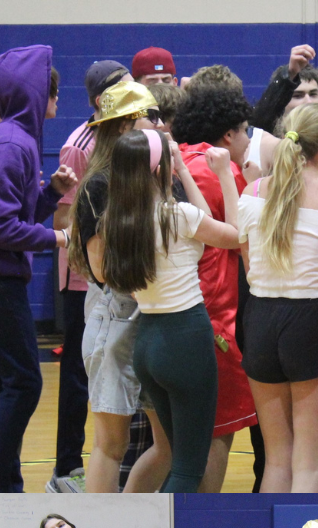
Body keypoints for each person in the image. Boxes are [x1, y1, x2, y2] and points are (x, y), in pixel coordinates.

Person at [100, 130, 241, 493]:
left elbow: (201, 219)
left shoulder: (117, 221)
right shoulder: (176, 216)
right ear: (161, 169)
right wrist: (225, 174)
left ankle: (159, 524)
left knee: (180, 459)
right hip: (185, 339)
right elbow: (236, 235)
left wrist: (182, 169)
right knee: (189, 470)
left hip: (147, 344)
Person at [69, 81, 171, 493]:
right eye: (152, 116)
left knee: (169, 446)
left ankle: (126, 516)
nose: (160, 124)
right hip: (116, 316)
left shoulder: (155, 177)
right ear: (127, 124)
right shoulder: (99, 185)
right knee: (112, 444)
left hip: (156, 316)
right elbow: (102, 270)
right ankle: (101, 524)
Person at [239, 103, 318, 492]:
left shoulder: (252, 191)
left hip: (260, 319)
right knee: (310, 465)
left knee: (277, 460)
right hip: (311, 321)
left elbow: (248, 264)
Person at [46, 60, 132, 494]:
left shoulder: (123, 137)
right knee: (78, 378)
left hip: (112, 274)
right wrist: (90, 265)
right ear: (102, 99)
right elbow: (64, 218)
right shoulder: (79, 145)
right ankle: (66, 467)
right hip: (85, 275)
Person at [172, 84, 258, 491]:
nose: (248, 139)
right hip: (213, 315)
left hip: (169, 313)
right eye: (245, 131)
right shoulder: (221, 171)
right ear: (229, 134)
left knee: (174, 443)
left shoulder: (178, 159)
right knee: (216, 432)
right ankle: (201, 517)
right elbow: (245, 239)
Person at [0, 45, 77, 492]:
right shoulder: (12, 145)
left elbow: (18, 217)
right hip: (3, 282)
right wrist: (59, 238)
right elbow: (4, 229)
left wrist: (50, 196)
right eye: (52, 91)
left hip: (8, 278)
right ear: (33, 92)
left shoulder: (18, 141)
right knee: (26, 382)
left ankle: (8, 482)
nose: (56, 99)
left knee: (12, 383)